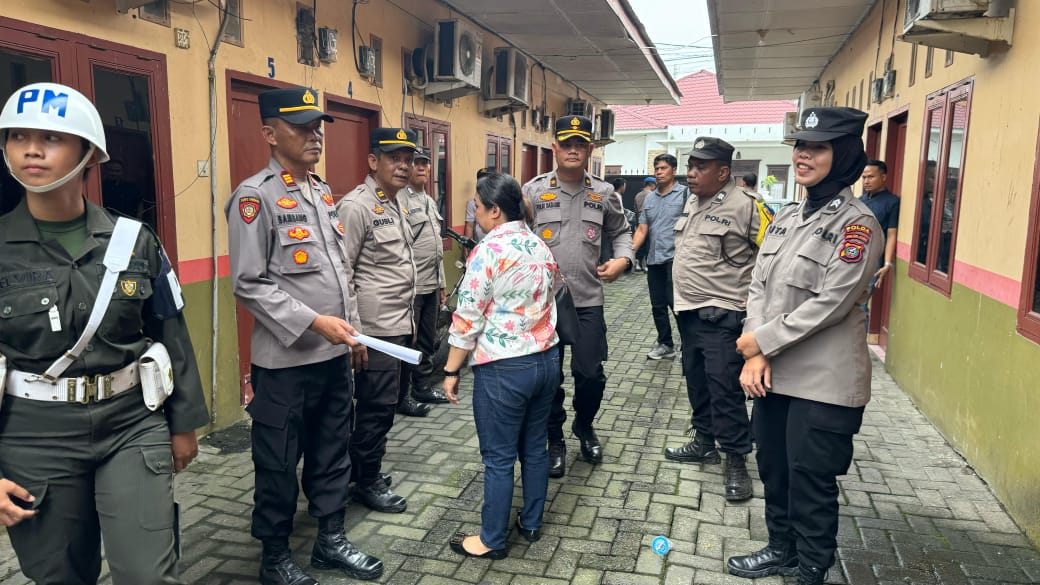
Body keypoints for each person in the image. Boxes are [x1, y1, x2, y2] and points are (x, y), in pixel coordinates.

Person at [0, 82, 208, 584]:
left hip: (130, 424)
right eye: (18, 136)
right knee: (60, 576)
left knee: (146, 574)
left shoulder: (135, 241)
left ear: (88, 152)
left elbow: (170, 332)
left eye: (52, 137)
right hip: (33, 435)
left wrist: (183, 425)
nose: (31, 149)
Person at [226, 87, 382, 584]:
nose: (315, 135)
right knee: (278, 461)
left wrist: (352, 333)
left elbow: (340, 272)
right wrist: (315, 323)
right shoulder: (255, 198)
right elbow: (248, 283)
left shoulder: (321, 191)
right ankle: (274, 557)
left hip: (333, 356)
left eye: (318, 127)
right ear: (270, 133)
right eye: (301, 126)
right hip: (286, 364)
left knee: (332, 450)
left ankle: (330, 540)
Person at [727, 107, 881, 585]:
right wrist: (756, 350)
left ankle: (812, 568)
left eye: (816, 147)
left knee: (810, 479)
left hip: (824, 381)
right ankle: (781, 549)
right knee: (773, 467)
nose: (803, 155)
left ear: (845, 154)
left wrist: (761, 343)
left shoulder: (858, 226)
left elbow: (831, 302)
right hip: (774, 372)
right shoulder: (786, 218)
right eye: (799, 146)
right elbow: (758, 285)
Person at [442, 173, 560, 560]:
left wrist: (451, 370)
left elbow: (467, 317)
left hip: (504, 367)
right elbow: (553, 293)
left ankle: (491, 538)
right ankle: (531, 522)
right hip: (546, 360)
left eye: (477, 207)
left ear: (494, 211)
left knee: (498, 457)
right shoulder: (539, 245)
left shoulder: (488, 252)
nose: (474, 213)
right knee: (535, 448)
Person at [522, 115, 633, 478]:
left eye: (580, 144)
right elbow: (515, 235)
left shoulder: (604, 193)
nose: (572, 150)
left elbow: (621, 232)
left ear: (590, 149)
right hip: (544, 304)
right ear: (554, 147)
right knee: (548, 379)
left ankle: (584, 426)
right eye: (565, 143)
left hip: (587, 301)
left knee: (590, 375)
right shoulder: (534, 192)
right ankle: (554, 438)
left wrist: (622, 260)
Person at [664, 137, 760, 502]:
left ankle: (736, 460)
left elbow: (771, 257)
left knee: (724, 389)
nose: (691, 173)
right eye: (690, 165)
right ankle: (704, 441)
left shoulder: (747, 206)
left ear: (723, 172)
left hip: (723, 315)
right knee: (697, 382)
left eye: (700, 167)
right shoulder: (693, 200)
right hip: (688, 312)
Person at [336, 128, 419, 513]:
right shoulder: (356, 207)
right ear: (373, 162)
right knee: (376, 408)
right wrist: (354, 334)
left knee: (383, 406)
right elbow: (344, 273)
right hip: (375, 330)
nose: (403, 166)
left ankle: (361, 471)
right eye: (394, 158)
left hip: (398, 324)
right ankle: (365, 481)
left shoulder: (395, 201)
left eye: (407, 158)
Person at [396, 147, 449, 412]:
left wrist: (441, 284)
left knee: (428, 340)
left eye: (426, 164)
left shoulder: (429, 200)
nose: (422, 168)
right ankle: (402, 395)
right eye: (417, 163)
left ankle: (422, 387)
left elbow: (437, 248)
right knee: (409, 342)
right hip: (411, 287)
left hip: (430, 284)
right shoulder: (400, 200)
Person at [632, 154, 686, 360]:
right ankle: (666, 344)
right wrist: (628, 255)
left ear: (673, 169)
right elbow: (642, 229)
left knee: (677, 304)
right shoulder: (649, 199)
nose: (659, 172)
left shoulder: (685, 195)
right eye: (657, 169)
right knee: (657, 305)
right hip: (654, 259)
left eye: (663, 168)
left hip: (676, 259)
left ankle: (688, 344)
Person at [859, 160, 899, 329]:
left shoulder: (892, 202)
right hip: (853, 255)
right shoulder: (860, 201)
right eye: (864, 177)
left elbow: (891, 234)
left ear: (883, 177)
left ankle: (860, 347)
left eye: (871, 177)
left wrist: (888, 263)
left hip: (873, 259)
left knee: (860, 304)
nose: (866, 181)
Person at [633, 176, 656, 271]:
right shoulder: (652, 195)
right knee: (648, 243)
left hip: (639, 221)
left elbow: (635, 208)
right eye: (655, 184)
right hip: (649, 222)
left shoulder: (638, 195)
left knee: (640, 242)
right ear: (651, 184)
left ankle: (638, 262)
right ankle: (645, 264)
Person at [464, 167, 491, 244]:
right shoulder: (472, 203)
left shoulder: (498, 201)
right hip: (479, 245)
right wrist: (466, 246)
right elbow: (470, 226)